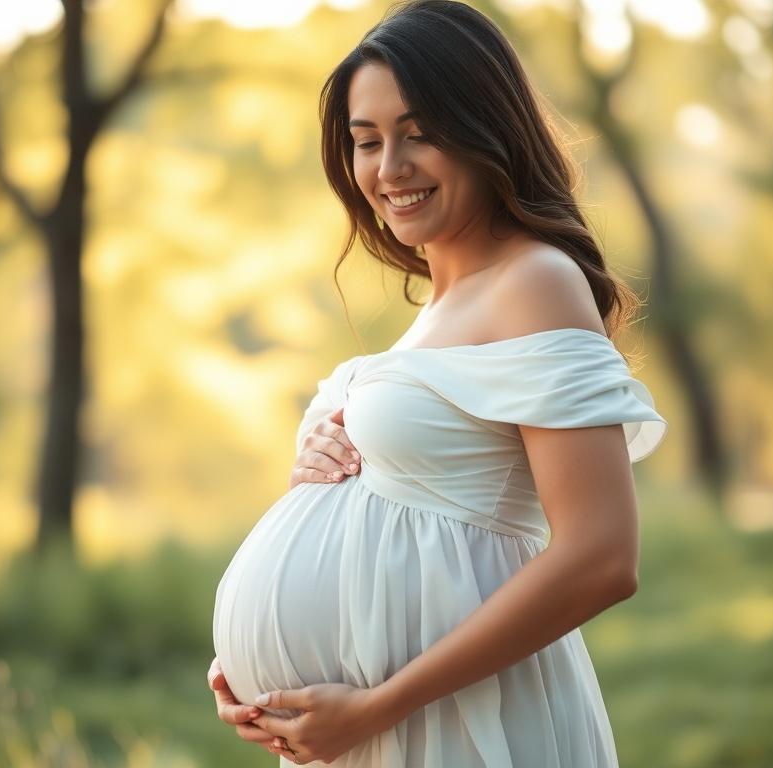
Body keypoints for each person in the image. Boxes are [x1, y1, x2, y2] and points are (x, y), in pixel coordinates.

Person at [209, 1, 669, 765]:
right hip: (363, 731)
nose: (389, 169)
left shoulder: (537, 282)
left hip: (457, 725)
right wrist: (255, 669)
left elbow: (602, 555)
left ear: (488, 126)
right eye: (367, 142)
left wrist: (375, 706)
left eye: (420, 133)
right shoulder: (439, 308)